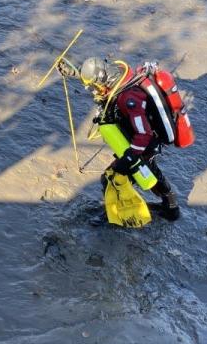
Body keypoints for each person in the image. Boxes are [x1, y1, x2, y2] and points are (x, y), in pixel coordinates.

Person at [65, 57, 182, 221]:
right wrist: (74, 72)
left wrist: (128, 158)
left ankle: (115, 214)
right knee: (150, 171)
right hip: (139, 140)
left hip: (144, 145)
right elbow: (98, 75)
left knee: (110, 178)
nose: (94, 90)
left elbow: (144, 134)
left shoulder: (129, 99)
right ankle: (171, 206)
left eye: (94, 86)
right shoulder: (116, 74)